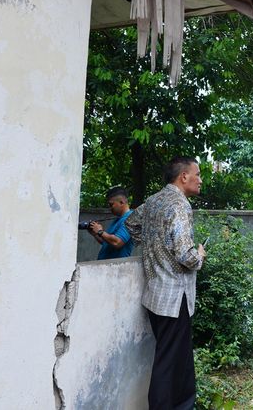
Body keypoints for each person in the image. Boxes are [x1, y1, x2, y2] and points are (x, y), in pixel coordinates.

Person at [126, 157, 206, 410]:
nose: (201, 179)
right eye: (198, 174)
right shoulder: (180, 205)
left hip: (156, 295)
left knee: (177, 358)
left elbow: (131, 223)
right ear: (184, 177)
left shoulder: (154, 201)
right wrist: (200, 256)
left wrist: (153, 244)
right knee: (169, 361)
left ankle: (184, 404)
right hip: (174, 296)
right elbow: (186, 255)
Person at [87, 186, 134, 260]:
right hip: (106, 266)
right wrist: (95, 234)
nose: (110, 208)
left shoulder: (130, 218)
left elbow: (117, 242)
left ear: (121, 202)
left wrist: (100, 231)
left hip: (116, 268)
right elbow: (107, 242)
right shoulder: (117, 220)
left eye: (111, 204)